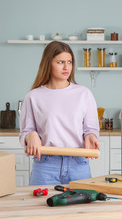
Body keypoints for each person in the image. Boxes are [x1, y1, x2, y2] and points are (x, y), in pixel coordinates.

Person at [19, 41, 100, 185]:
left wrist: (91, 136)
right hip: (45, 165)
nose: (66, 67)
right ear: (48, 64)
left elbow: (90, 129)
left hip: (78, 164)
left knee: (82, 208)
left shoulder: (84, 94)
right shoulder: (33, 96)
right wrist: (30, 135)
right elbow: (25, 132)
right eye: (60, 62)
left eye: (69, 62)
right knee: (39, 207)